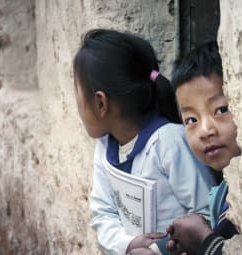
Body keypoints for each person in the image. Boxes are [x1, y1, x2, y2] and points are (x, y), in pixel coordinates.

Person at [72, 29, 216, 255]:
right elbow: (103, 213)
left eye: (78, 94)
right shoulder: (104, 148)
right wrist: (127, 244)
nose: (77, 106)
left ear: (101, 103)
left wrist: (159, 250)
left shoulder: (169, 142)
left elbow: (207, 217)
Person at [165, 41, 241, 255]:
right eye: (191, 120)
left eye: (221, 109)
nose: (205, 130)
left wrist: (204, 241)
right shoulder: (220, 195)